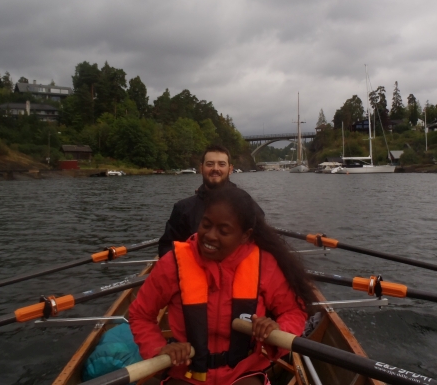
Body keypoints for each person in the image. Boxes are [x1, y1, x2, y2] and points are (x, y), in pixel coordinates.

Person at [129, 187, 315, 384]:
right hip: (186, 373)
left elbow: (294, 310)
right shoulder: (172, 263)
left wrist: (276, 329)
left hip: (243, 373)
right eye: (206, 225)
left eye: (223, 231)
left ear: (245, 236)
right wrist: (159, 349)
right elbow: (141, 315)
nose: (210, 235)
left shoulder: (264, 263)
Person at [158, 145, 262, 258]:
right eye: (210, 164)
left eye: (221, 164)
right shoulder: (183, 208)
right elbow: (167, 247)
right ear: (201, 168)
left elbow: (262, 244)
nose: (215, 168)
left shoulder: (248, 205)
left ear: (230, 169)